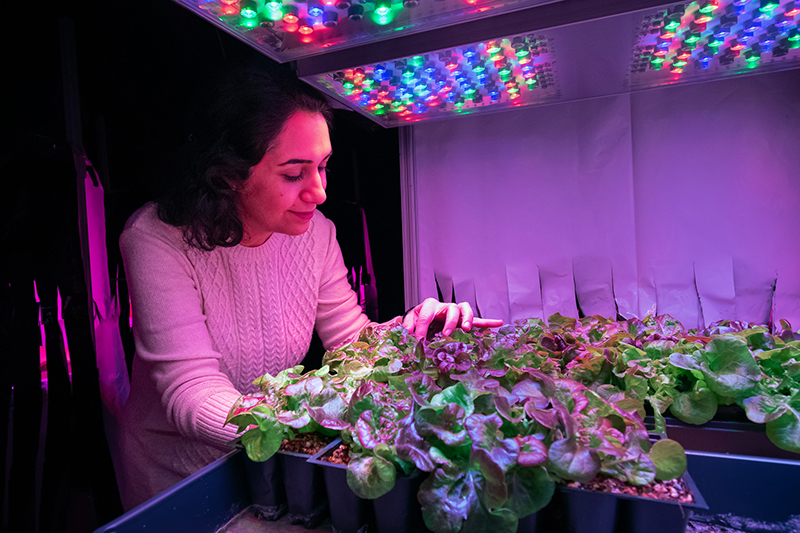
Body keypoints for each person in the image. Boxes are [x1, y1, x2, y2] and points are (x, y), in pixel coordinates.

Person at [116, 66, 502, 510]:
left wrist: (410, 333)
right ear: (228, 176)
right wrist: (305, 428)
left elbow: (349, 340)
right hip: (180, 473)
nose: (319, 192)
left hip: (269, 457)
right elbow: (191, 390)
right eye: (294, 174)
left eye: (323, 167)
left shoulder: (316, 233)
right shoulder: (156, 238)